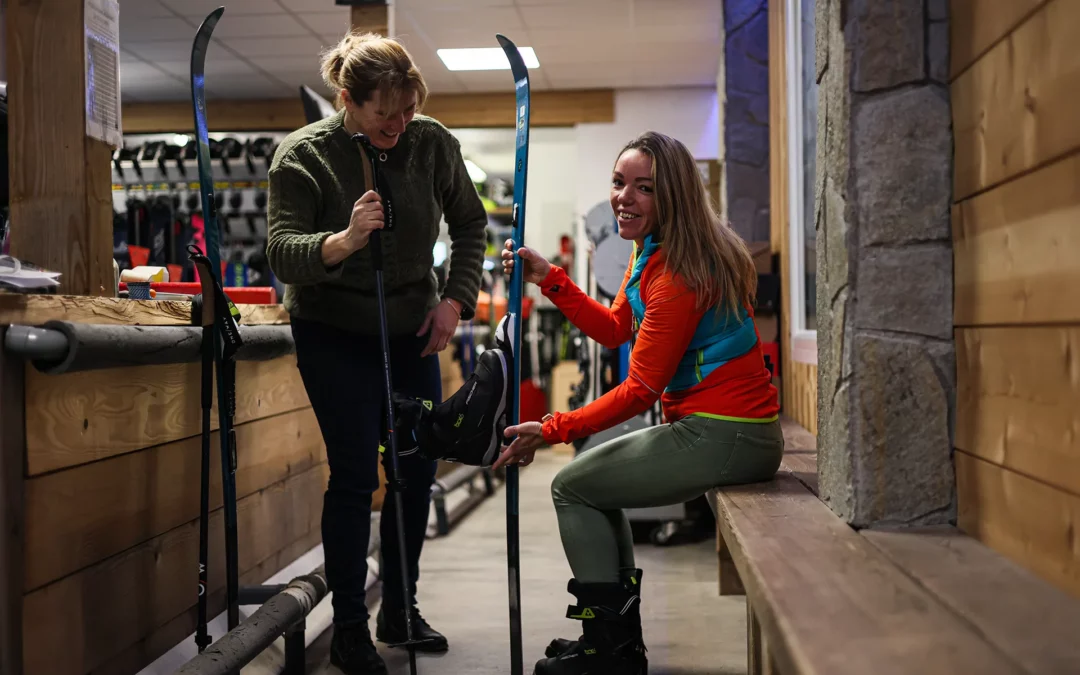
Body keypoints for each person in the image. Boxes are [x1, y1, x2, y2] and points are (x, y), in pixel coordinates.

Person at [496, 131, 784, 675]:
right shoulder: (652, 254)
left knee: (571, 485)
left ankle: (608, 651)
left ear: (671, 196)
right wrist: (549, 279)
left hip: (726, 433)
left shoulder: (677, 273)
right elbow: (613, 329)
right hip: (725, 429)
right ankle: (616, 645)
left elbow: (640, 390)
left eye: (643, 188)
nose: (623, 197)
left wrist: (552, 427)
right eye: (618, 182)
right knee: (591, 488)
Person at [265, 30, 489, 675]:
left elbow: (470, 223)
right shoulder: (303, 156)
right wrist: (342, 240)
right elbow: (281, 253)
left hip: (412, 328)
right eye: (383, 113)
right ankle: (351, 628)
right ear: (348, 100)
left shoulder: (430, 142)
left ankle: (400, 606)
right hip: (333, 332)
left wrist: (455, 300)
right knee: (358, 473)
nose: (398, 123)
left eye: (407, 109)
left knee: (417, 469)